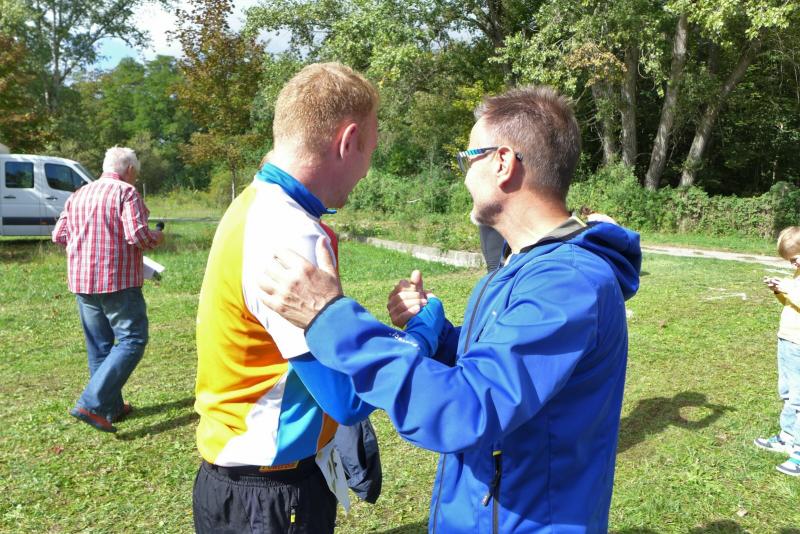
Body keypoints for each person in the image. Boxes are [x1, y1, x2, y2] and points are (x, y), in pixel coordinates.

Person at [259, 86, 642, 532]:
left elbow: (466, 410)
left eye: (468, 158)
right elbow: (494, 366)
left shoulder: (566, 283)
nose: (463, 177)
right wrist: (438, 333)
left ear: (502, 163)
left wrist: (330, 318)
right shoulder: (525, 267)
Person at [194, 62, 421, 533]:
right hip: (271, 495)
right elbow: (347, 398)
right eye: (370, 151)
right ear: (347, 141)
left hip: (240, 483)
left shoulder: (256, 203)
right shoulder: (292, 233)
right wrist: (422, 332)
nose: (366, 171)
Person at [52, 146, 164, 433]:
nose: (135, 178)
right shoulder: (126, 193)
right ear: (129, 170)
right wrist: (156, 237)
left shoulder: (78, 194)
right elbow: (137, 235)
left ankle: (110, 408)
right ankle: (92, 404)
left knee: (99, 346)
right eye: (136, 173)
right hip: (117, 281)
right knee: (132, 339)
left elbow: (59, 235)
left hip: (82, 282)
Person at [755, 226, 800, 476]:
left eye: (795, 258)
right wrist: (779, 292)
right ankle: (787, 437)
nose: (793, 264)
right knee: (787, 391)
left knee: (799, 398)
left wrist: (789, 288)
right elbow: (793, 301)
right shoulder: (798, 274)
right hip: (788, 341)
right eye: (790, 261)